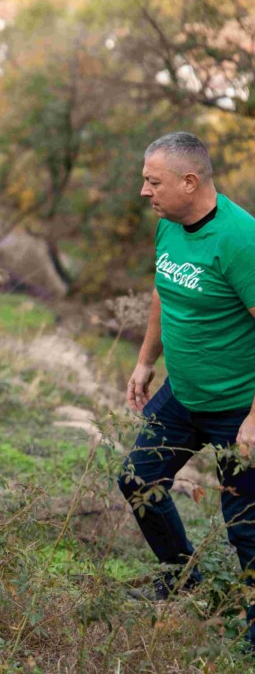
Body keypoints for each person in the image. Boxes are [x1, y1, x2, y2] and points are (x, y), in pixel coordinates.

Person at [118, 132, 255, 647]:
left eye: (153, 182)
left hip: (237, 406)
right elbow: (163, 291)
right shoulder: (170, 226)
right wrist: (144, 361)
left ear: (189, 181)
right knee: (138, 479)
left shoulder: (241, 240)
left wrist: (254, 418)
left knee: (246, 524)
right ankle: (181, 576)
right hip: (183, 394)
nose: (144, 192)